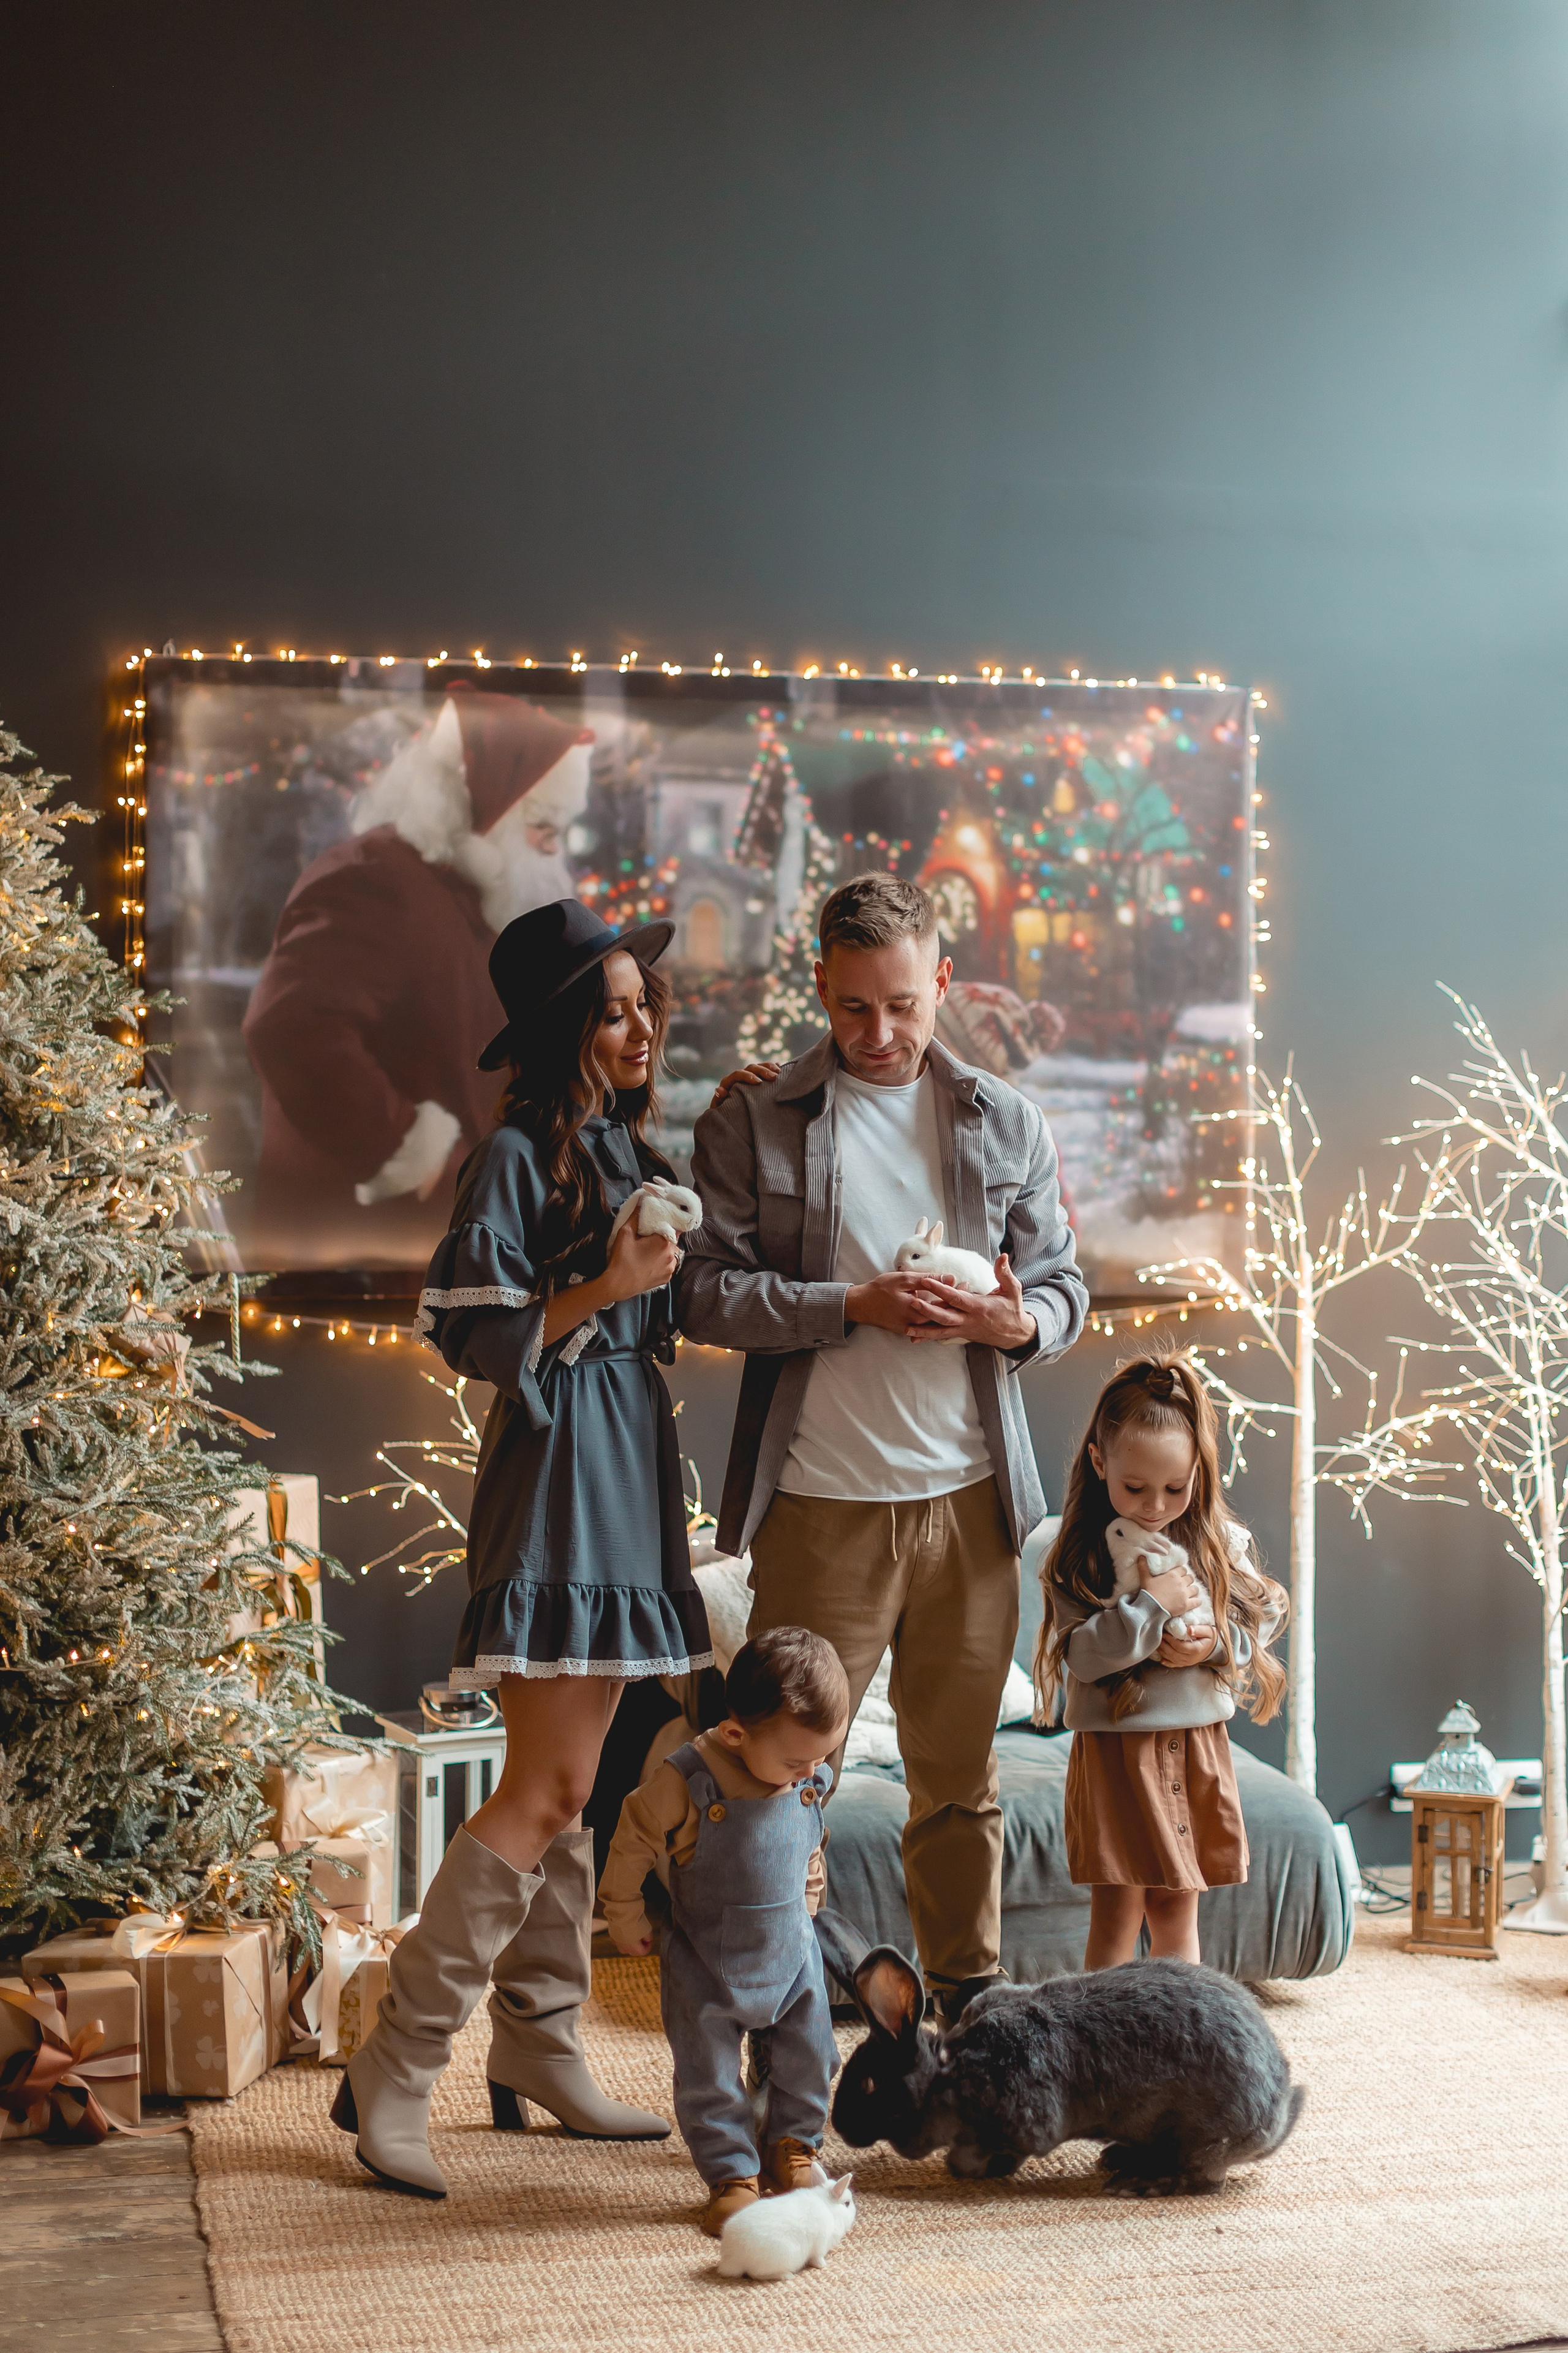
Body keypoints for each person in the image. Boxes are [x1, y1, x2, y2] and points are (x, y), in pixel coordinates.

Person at [330, 897, 713, 2199]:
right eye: (612, 1008)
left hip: (618, 1466)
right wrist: (609, 1285)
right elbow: (477, 1329)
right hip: (557, 1476)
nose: (640, 1022)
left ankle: (539, 2045)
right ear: (565, 1030)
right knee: (545, 1792)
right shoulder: (514, 1158)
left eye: (641, 1002)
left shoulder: (615, 1150)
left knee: (573, 1781)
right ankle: (397, 2060)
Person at [676, 871, 1088, 2028]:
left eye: (903, 1004)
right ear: (820, 984)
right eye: (854, 1007)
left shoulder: (1006, 1118)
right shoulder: (751, 1115)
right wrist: (850, 1305)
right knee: (775, 1786)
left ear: (943, 981)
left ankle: (971, 2032)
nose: (880, 1033)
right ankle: (770, 2026)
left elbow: (1063, 1287)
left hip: (969, 1509)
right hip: (819, 1506)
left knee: (959, 1789)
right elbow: (702, 1296)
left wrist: (1021, 1324)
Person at [244, 684, 595, 1264]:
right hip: (369, 1248)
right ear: (486, 810)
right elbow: (291, 1026)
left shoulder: (473, 891)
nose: (554, 854)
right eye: (544, 828)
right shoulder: (376, 880)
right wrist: (411, 1147)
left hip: (451, 1244)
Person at [1036, 1353, 1287, 1970]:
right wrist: (1149, 1608)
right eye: (1134, 1487)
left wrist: (1213, 1645)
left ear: (1198, 1471)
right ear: (1100, 1463)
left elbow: (1263, 1619)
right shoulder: (1078, 1556)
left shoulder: (1217, 1542)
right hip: (1115, 1754)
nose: (1154, 1506)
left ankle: (1181, 2042)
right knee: (1116, 1912)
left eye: (1175, 1488)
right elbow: (1084, 1658)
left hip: (1193, 1743)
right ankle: (1100, 2047)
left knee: (1177, 1910)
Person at [600, 1627, 850, 2238]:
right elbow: (632, 1839)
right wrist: (623, 1913)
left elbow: (810, 1839)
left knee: (810, 2055)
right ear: (737, 1733)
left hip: (792, 1953)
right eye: (796, 1761)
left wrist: (811, 1894)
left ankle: (793, 2146)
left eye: (822, 1757)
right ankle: (730, 2176)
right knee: (708, 2073)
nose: (811, 1771)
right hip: (706, 1964)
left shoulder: (806, 1770)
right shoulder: (688, 1778)